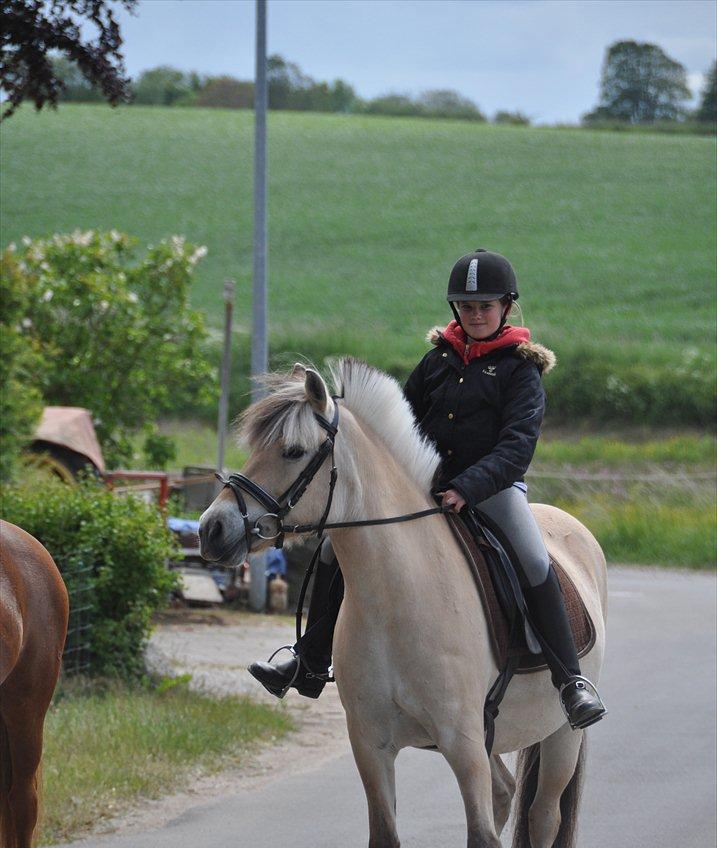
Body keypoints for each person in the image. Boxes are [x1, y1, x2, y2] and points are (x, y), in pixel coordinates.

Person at [249, 249, 606, 729]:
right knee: (336, 548)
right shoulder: (437, 361)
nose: (475, 315)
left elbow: (516, 448)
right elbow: (396, 423)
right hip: (424, 488)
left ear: (507, 307)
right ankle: (309, 657)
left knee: (532, 556)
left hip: (492, 489)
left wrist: (468, 487)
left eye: (485, 306)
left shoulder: (522, 370)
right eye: (466, 306)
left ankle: (570, 681)